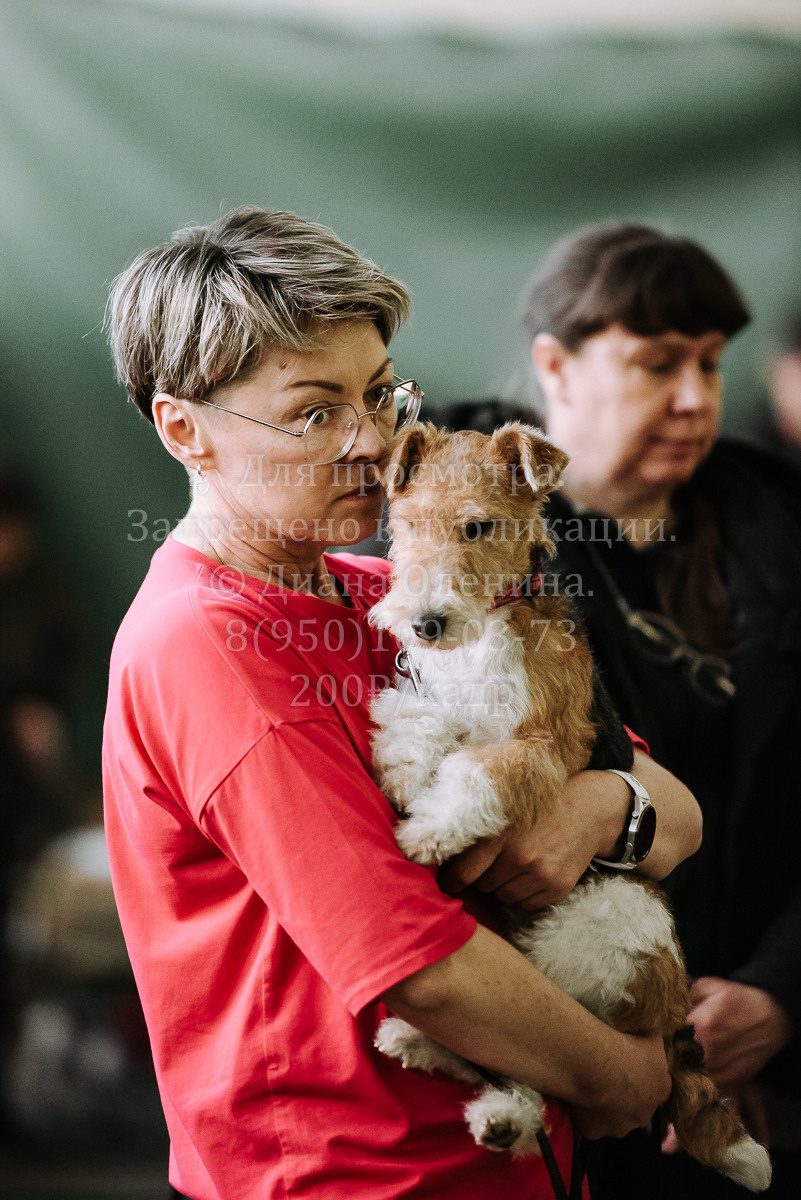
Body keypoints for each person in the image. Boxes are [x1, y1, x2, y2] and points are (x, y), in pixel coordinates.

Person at [102, 206, 701, 1200]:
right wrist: (628, 1073)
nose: (374, 443)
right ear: (182, 429)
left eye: (381, 394)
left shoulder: (398, 595)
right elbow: (417, 968)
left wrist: (600, 810)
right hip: (352, 1177)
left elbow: (672, 809)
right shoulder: (204, 643)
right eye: (313, 412)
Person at [518, 222, 801, 1199]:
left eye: (712, 363)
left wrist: (778, 999)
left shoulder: (779, 521)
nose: (694, 398)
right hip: (580, 1061)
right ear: (555, 366)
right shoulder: (487, 551)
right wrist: (655, 1050)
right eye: (655, 364)